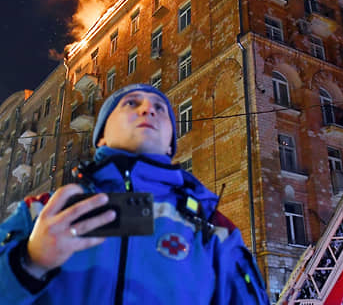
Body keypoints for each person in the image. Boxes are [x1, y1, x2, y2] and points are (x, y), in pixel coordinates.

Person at [0, 84, 270, 304]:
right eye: (131, 103)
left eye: (160, 108)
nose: (148, 109)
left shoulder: (211, 226)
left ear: (169, 145)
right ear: (101, 137)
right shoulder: (45, 211)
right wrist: (28, 263)